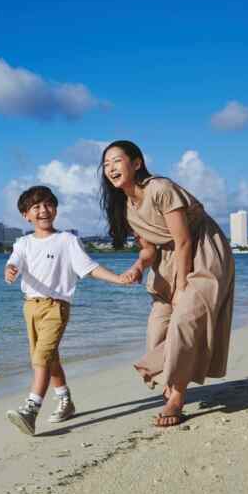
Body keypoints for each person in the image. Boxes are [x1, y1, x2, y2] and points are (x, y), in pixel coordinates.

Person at [100, 140, 235, 427]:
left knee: (184, 320)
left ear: (136, 163)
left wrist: (182, 286)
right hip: (168, 259)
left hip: (203, 251)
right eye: (106, 164)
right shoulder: (127, 209)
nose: (111, 168)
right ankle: (169, 375)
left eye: (117, 161)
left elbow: (184, 239)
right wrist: (138, 266)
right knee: (158, 328)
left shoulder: (160, 189)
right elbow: (149, 249)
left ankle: (176, 397)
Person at [4, 185, 129, 436]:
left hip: (56, 307)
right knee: (49, 358)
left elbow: (89, 267)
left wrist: (118, 279)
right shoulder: (23, 243)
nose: (43, 210)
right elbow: (15, 259)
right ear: (26, 215)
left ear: (56, 209)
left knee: (41, 358)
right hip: (30, 307)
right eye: (36, 207)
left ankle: (31, 409)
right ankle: (65, 400)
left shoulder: (67, 240)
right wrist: (10, 269)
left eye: (48, 204)